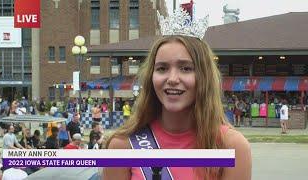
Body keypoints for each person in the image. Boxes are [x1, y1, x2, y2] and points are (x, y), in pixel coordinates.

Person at [103, 35, 251, 179]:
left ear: (204, 77)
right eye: (162, 68)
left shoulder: (232, 147)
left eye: (186, 68)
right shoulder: (122, 146)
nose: (172, 79)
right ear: (151, 77)